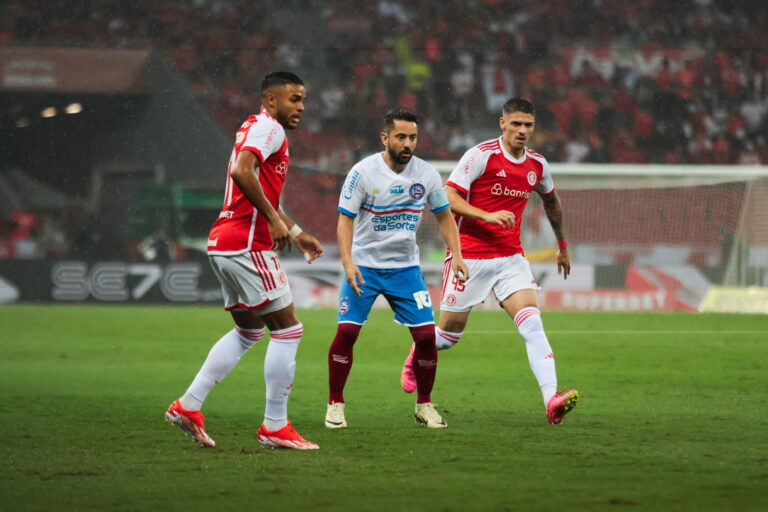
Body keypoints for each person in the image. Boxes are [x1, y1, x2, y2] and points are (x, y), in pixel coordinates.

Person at [165, 72, 324, 450]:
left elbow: (256, 185)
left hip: (224, 241)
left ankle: (189, 405)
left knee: (249, 331)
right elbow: (241, 172)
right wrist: (272, 220)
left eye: (303, 100)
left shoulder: (253, 126)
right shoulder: (271, 130)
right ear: (270, 100)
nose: (300, 107)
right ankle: (275, 425)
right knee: (288, 331)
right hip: (248, 244)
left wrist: (295, 229)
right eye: (293, 99)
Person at [400, 98, 579, 425]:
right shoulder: (481, 155)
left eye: (528, 125)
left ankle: (551, 400)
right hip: (469, 256)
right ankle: (419, 351)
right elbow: (448, 196)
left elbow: (551, 201)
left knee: (533, 325)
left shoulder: (537, 164)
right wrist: (486, 214)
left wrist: (563, 245)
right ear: (503, 123)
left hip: (511, 259)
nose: (522, 131)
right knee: (449, 337)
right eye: (516, 124)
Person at [325, 109, 469, 429]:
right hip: (364, 266)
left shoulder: (427, 174)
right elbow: (344, 220)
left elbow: (444, 216)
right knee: (347, 332)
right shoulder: (362, 173)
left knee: (427, 338)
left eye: (413, 137)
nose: (408, 143)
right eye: (401, 137)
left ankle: (424, 405)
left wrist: (457, 254)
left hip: (405, 269)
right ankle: (335, 403)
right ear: (385, 137)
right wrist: (348, 262)